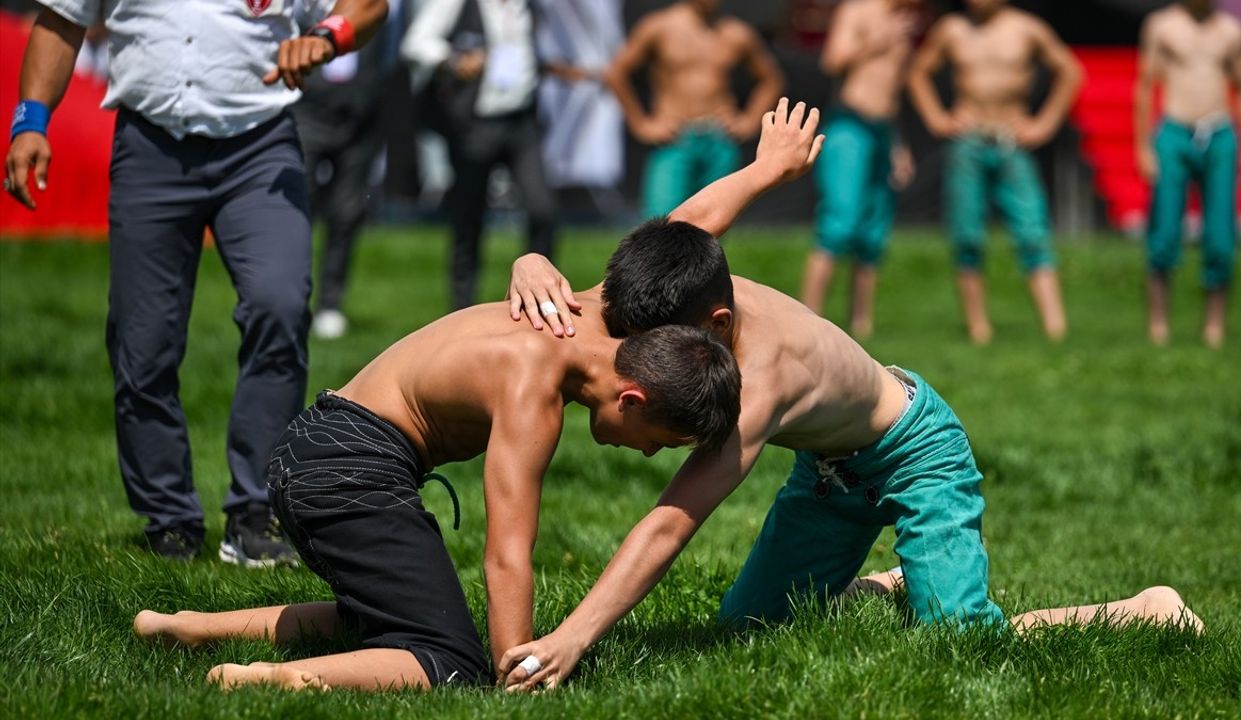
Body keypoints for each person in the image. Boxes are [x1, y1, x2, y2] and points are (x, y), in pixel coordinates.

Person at [497, 99, 1203, 692]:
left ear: (713, 326)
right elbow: (688, 222)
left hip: (913, 451)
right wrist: (531, 263)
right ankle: (886, 583)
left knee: (964, 640)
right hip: (829, 473)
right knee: (746, 632)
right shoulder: (680, 279)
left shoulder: (763, 381)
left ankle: (1146, 608)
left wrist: (573, 637)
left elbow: (671, 521)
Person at [132, 300, 741, 692]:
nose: (649, 456)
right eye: (660, 441)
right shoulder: (535, 389)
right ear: (632, 398)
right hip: (346, 469)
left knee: (383, 618)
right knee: (449, 660)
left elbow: (673, 242)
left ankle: (187, 626)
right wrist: (516, 670)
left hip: (317, 446)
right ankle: (271, 680)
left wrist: (768, 171)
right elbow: (507, 553)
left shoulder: (571, 314)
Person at [3, 0, 388, 564]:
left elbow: (368, 6)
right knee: (144, 341)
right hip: (149, 145)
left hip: (260, 146)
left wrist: (328, 36)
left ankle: (257, 512)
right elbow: (62, 20)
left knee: (279, 305)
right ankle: (170, 519)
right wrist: (31, 120)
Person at [906, 0, 1081, 345]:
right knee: (967, 234)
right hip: (968, 142)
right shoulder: (952, 29)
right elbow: (917, 71)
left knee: (1033, 230)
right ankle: (978, 328)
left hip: (1010, 141)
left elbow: (1070, 71)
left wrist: (1044, 123)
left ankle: (1056, 328)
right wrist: (937, 118)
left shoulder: (1027, 28)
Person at [401, 0, 583, 310]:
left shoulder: (529, 8)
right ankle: (461, 306)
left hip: (521, 122)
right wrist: (453, 60)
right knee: (468, 217)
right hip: (475, 123)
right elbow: (415, 43)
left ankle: (542, 298)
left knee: (543, 210)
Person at [1135, 0, 1241, 349]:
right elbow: (1145, 85)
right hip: (1174, 132)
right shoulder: (1161, 25)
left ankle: (1214, 326)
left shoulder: (1230, 32)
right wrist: (1143, 146)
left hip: (1219, 133)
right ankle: (1158, 324)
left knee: (1221, 235)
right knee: (1163, 232)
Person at [800, 0, 920, 339]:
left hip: (883, 132)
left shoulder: (903, 20)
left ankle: (861, 323)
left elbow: (890, 89)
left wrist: (899, 145)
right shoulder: (856, 12)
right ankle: (809, 318)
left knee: (873, 232)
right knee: (840, 222)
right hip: (849, 128)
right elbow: (832, 61)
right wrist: (877, 41)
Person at [604, 0, 783, 219]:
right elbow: (616, 73)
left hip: (720, 138)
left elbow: (771, 79)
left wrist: (749, 121)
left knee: (714, 223)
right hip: (675, 137)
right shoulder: (659, 26)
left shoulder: (736, 33)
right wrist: (641, 124)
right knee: (660, 222)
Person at [298, 0, 412, 340]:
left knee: (347, 211)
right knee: (297, 207)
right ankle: (292, 297)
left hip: (362, 114)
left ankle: (330, 303)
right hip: (308, 110)